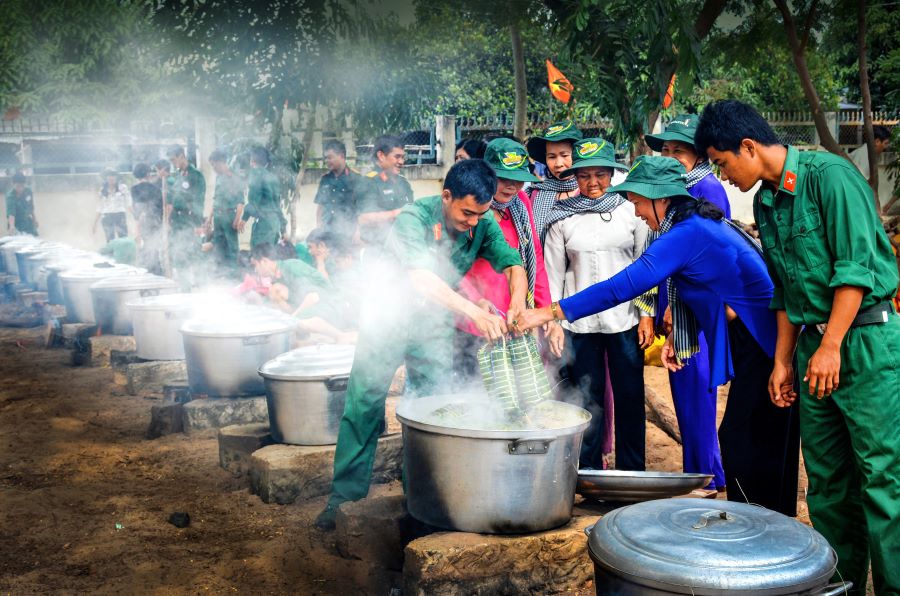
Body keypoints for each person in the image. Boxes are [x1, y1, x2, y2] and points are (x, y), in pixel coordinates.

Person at [518, 156, 801, 517]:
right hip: (760, 335)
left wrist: (550, 311)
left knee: (748, 440)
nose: (635, 212)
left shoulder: (687, 233)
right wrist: (679, 336)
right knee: (756, 438)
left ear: (660, 198)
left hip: (767, 341)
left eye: (636, 201)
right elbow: (707, 284)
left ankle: (764, 528)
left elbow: (623, 286)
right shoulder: (693, 224)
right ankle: (768, 525)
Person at [695, 100, 899, 595]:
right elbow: (784, 289)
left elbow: (855, 270)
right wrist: (783, 360)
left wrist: (831, 345)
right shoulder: (766, 202)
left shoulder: (830, 177)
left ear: (747, 146)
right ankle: (841, 587)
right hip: (812, 347)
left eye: (722, 164)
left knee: (881, 479)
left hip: (863, 342)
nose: (722, 178)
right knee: (827, 484)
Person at [315, 159, 527, 531]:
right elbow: (420, 278)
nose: (473, 221)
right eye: (466, 212)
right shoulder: (412, 218)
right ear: (446, 196)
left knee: (433, 411)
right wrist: (473, 312)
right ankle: (343, 501)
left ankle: (423, 501)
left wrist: (518, 303)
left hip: (432, 326)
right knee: (363, 404)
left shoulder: (482, 222)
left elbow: (513, 265)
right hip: (387, 319)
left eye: (481, 214)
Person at [542, 138, 653, 471]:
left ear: (612, 174)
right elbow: (553, 275)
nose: (593, 183)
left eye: (601, 175)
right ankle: (588, 472)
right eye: (585, 176)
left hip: (626, 320)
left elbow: (646, 265)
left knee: (630, 397)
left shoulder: (630, 210)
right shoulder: (561, 217)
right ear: (575, 177)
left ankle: (633, 472)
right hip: (580, 325)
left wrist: (646, 315)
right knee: (587, 400)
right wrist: (555, 322)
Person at [644, 113, 731, 493]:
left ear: (699, 155)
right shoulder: (673, 188)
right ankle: (697, 473)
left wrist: (678, 308)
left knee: (697, 393)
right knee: (685, 391)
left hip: (694, 312)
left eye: (679, 150)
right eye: (666, 148)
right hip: (672, 309)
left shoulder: (708, 190)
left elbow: (710, 261)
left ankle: (709, 477)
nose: (670, 155)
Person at [454, 138, 563, 383]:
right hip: (476, 320)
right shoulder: (469, 207)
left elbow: (534, 258)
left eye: (518, 179)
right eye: (504, 179)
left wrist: (547, 312)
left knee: (517, 396)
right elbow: (453, 267)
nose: (512, 186)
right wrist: (475, 305)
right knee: (476, 396)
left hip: (516, 317)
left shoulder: (521, 204)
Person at [525, 120, 583, 242]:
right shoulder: (534, 194)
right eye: (551, 157)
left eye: (565, 155)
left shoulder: (590, 192)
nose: (558, 164)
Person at [357, 135, 414, 251]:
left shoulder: (403, 183)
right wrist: (396, 213)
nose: (401, 162)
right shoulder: (369, 182)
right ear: (381, 156)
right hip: (376, 248)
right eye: (397, 157)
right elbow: (364, 218)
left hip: (402, 246)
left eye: (403, 157)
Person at [249, 242, 329, 317]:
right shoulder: (277, 274)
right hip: (309, 301)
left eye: (255, 265)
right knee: (274, 292)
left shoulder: (292, 266)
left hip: (326, 301)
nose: (255, 270)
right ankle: (294, 320)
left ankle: (295, 321)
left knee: (275, 290)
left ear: (264, 261)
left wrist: (294, 317)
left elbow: (312, 295)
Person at [167, 145, 206, 286]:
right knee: (178, 255)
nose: (172, 163)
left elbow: (199, 201)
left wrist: (198, 224)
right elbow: (171, 200)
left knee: (194, 253)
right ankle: (184, 288)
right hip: (177, 221)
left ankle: (202, 286)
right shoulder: (176, 176)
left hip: (190, 220)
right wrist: (168, 221)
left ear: (182, 156)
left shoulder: (196, 175)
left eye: (173, 159)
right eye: (170, 160)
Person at [314, 140, 363, 244]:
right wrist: (319, 227)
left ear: (341, 156)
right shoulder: (325, 179)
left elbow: (361, 208)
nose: (327, 160)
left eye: (330, 157)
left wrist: (358, 231)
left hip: (348, 232)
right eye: (326, 158)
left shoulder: (356, 178)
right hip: (328, 230)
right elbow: (320, 206)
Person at [208, 149, 245, 277]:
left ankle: (234, 276)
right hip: (218, 217)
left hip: (229, 216)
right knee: (218, 246)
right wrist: (209, 219)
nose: (213, 168)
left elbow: (240, 201)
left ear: (222, 162)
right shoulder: (219, 178)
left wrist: (237, 218)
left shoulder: (234, 177)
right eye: (211, 165)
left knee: (232, 248)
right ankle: (221, 274)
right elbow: (215, 199)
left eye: (214, 164)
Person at [241, 146, 283, 248]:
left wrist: (244, 218)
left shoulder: (255, 174)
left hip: (264, 224)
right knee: (270, 256)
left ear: (252, 161)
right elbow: (278, 206)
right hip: (274, 224)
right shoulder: (273, 177)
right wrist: (284, 229)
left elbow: (253, 203)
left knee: (259, 257)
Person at [131, 163, 164, 274]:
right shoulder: (156, 188)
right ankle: (156, 271)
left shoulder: (134, 189)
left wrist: (137, 230)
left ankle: (150, 271)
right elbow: (161, 208)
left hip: (144, 223)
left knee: (147, 247)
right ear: (148, 174)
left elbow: (137, 211)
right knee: (154, 248)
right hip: (157, 222)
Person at [94, 169, 130, 242]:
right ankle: (111, 253)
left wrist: (135, 216)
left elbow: (129, 202)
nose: (111, 178)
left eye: (113, 176)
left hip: (120, 214)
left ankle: (124, 253)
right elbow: (100, 207)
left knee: (124, 238)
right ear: (106, 178)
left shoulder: (123, 187)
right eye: (109, 176)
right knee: (110, 239)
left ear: (116, 177)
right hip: (107, 216)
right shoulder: (102, 189)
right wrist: (95, 223)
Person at [6, 171, 37, 235]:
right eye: (18, 186)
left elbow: (31, 207)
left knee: (34, 240)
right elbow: (11, 214)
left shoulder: (28, 191)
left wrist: (34, 220)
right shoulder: (10, 196)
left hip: (27, 222)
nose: (20, 188)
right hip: (16, 224)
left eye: (22, 186)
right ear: (13, 184)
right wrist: (12, 227)